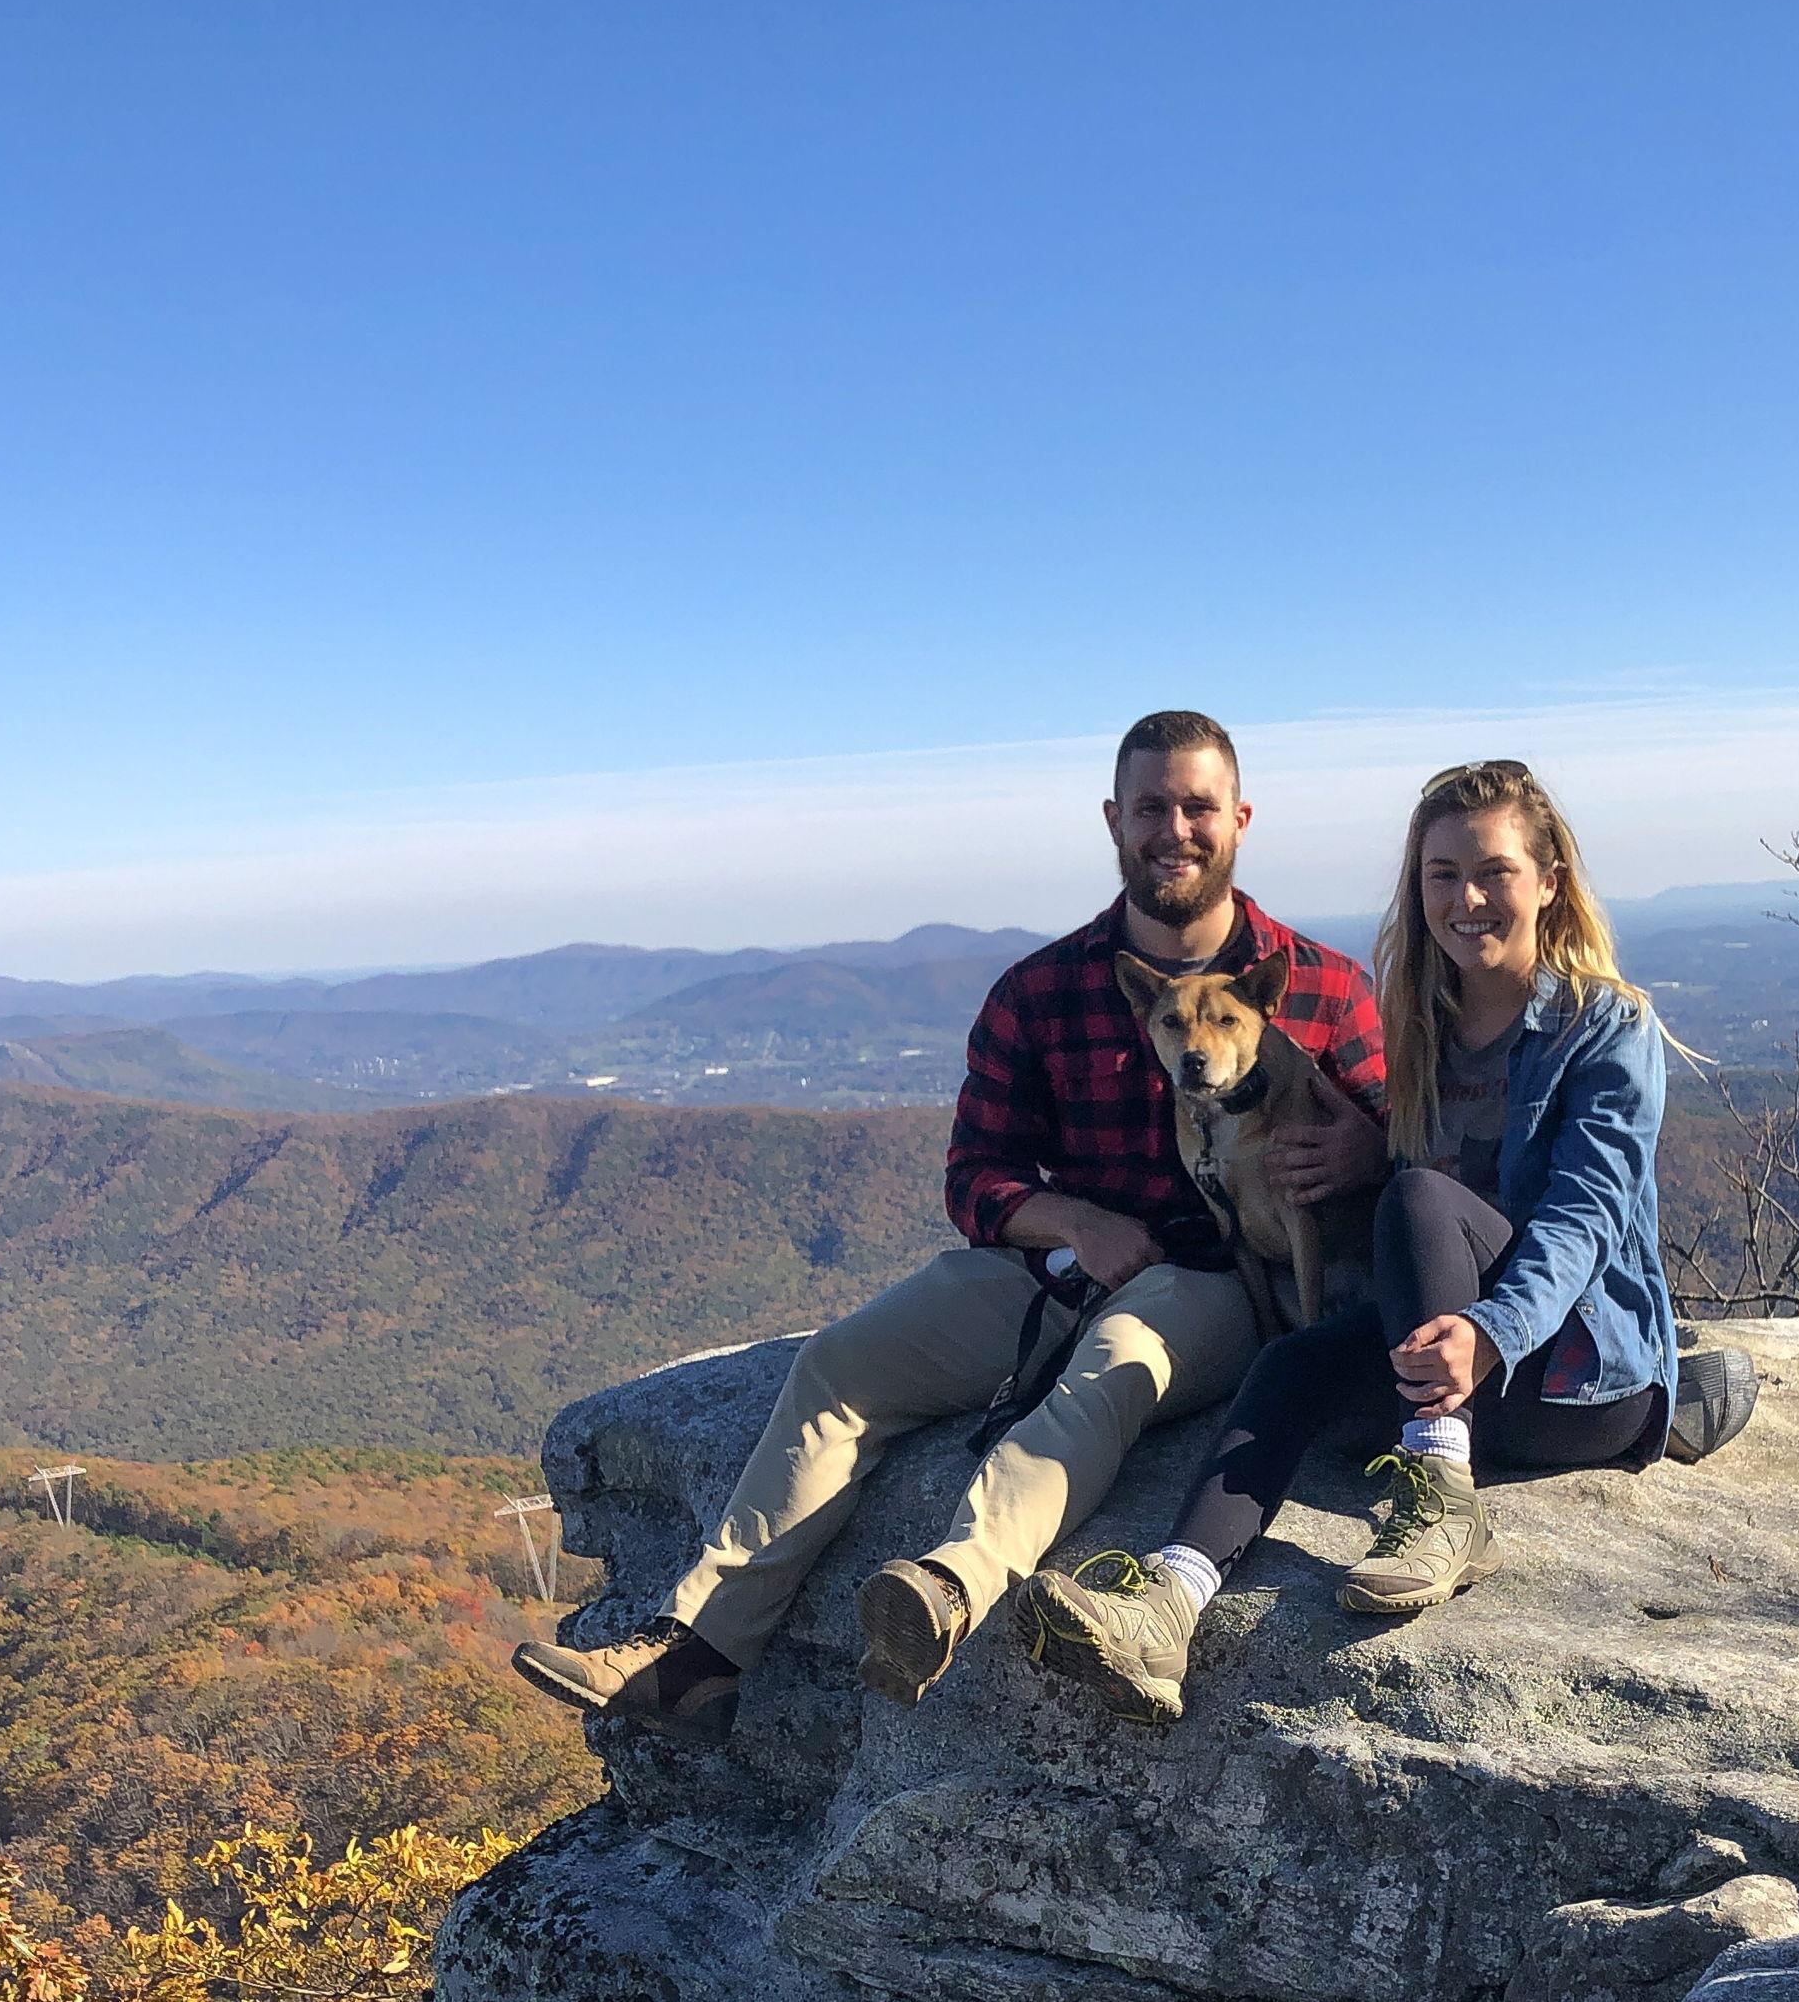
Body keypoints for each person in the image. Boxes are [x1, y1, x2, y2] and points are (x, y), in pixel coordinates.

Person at [511, 710, 1388, 1741]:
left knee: (1111, 1368)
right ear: (1114, 819)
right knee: (842, 1364)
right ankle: (695, 1656)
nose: (1175, 830)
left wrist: (1365, 1150)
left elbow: (1409, 1147)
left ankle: (947, 1586)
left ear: (1239, 818)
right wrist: (1074, 1221)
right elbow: (976, 1176)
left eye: (1198, 806)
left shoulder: (1321, 985)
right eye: (1151, 806)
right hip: (1059, 1261)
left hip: (1220, 1278)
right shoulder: (1041, 992)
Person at [1015, 757, 1755, 1724]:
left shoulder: (1605, 1027)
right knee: (1289, 1362)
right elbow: (1402, 1204)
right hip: (1449, 1365)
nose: (1466, 898)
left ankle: (1443, 1499)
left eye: (1493, 871)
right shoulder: (1420, 1029)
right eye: (1442, 875)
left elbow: (1583, 1216)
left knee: (1417, 1198)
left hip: (1573, 1379)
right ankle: (1169, 1602)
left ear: (1548, 882)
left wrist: (1490, 1330)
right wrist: (1368, 1155)